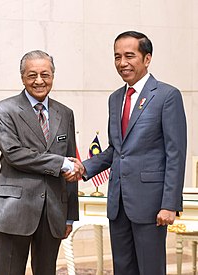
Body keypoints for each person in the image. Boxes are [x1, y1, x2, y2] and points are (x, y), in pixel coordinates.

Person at [64, 31, 187, 275]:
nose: (122, 63)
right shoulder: (115, 98)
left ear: (147, 58)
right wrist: (84, 167)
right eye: (117, 57)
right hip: (118, 203)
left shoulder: (166, 96)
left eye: (130, 56)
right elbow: (116, 151)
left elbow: (176, 153)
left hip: (151, 205)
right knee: (123, 269)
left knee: (150, 270)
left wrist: (169, 204)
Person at [0, 50, 81, 275]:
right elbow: (14, 153)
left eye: (45, 74)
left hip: (54, 212)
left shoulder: (65, 113)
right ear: (22, 77)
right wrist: (61, 164)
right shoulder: (4, 110)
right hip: (15, 210)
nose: (39, 81)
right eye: (32, 75)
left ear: (53, 76)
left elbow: (71, 162)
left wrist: (70, 215)